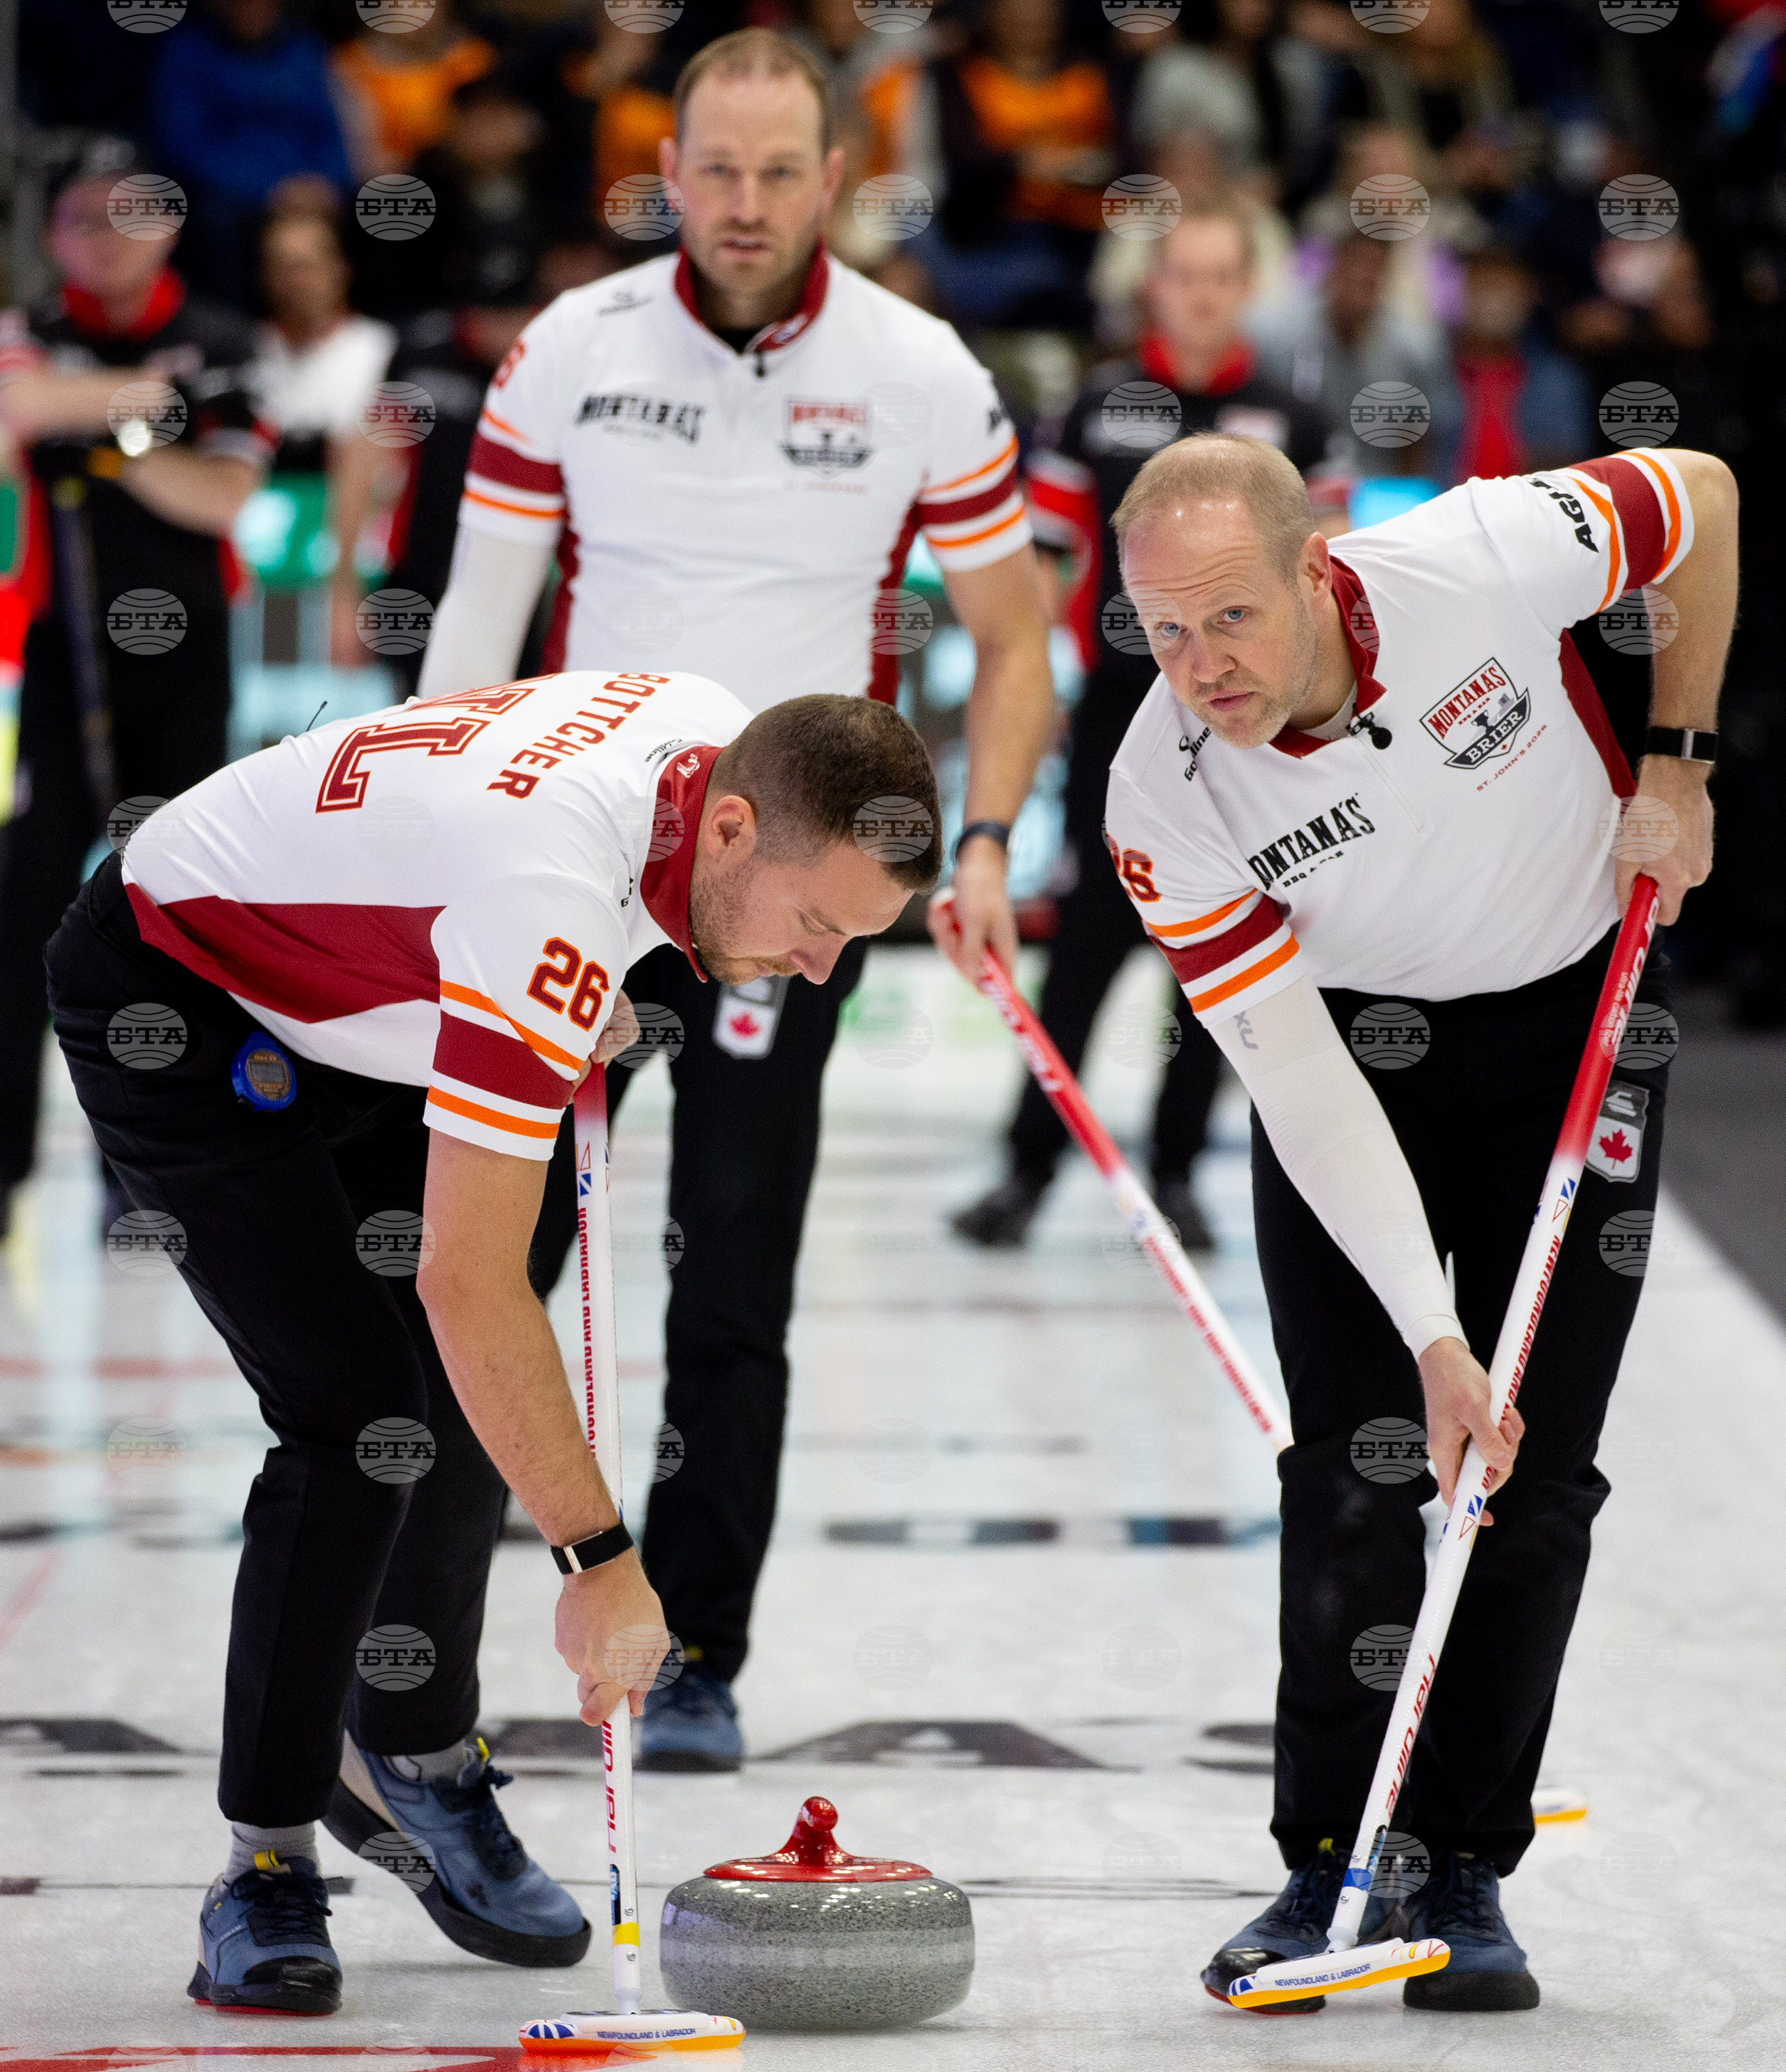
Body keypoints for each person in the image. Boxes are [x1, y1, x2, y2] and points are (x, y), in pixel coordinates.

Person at [46, 675, 943, 2015]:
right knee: (360, 1422)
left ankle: (406, 1747)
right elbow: (469, 1285)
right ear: (740, 828)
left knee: (472, 1384)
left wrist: (618, 990)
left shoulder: (707, 735)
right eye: (817, 926)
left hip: (369, 997)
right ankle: (267, 1864)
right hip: (183, 994)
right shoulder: (548, 900)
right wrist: (600, 1563)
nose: (821, 969)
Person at [416, 27, 1054, 1769]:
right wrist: (447, 846)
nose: (748, 204)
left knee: (730, 1278)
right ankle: (421, 1661)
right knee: (497, 1258)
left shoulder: (920, 368)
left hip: (788, 899)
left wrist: (983, 839)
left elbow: (1012, 644)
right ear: (665, 166)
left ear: (837, 175)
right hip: (580, 871)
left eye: (783, 171)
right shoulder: (569, 347)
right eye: (718, 169)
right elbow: (477, 629)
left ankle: (695, 1644)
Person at [1100, 431, 1732, 2008]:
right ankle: (1327, 1858)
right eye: (1163, 631)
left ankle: (1462, 1861)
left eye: (1231, 616)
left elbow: (1704, 500)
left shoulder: (1477, 557)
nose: (1202, 667)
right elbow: (1300, 1081)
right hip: (1351, 1064)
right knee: (1355, 1462)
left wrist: (1679, 756)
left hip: (1573, 1025)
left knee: (1537, 1465)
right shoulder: (1156, 795)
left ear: (1318, 563)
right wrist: (1433, 1339)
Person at [952, 197, 1336, 1251]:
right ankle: (1025, 1170)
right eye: (1184, 277)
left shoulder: (1291, 416)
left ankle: (1175, 1174)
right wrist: (1030, 706)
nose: (1202, 296)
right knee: (1079, 955)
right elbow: (1038, 575)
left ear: (1243, 288)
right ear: (1154, 286)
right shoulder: (1097, 404)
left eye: (1221, 278)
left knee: (1218, 965)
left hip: (1248, 731)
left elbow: (1328, 571)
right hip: (1122, 723)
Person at [0, 138, 268, 1238]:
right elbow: (13, 409)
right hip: (53, 675)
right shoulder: (30, 331)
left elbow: (220, 496)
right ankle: (6, 1168)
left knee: (179, 922)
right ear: (52, 230)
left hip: (184, 668)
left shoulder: (223, 338)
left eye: (131, 213)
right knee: (22, 917)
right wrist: (137, 408)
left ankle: (160, 1176)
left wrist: (102, 437)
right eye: (82, 216)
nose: (106, 235)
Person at [247, 211, 396, 668]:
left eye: (307, 265)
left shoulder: (377, 351)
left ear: (339, 270)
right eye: (282, 266)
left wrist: (345, 591)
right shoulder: (249, 353)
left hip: (356, 563)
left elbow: (376, 469)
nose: (295, 280)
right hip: (258, 570)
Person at [150, 0, 353, 305]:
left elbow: (330, 131)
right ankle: (233, 322)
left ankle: (366, 325)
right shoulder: (186, 53)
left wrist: (327, 182)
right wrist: (270, 190)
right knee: (216, 223)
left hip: (309, 187)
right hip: (234, 193)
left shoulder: (304, 49)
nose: (252, 9)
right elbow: (188, 149)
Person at [1249, 231, 1461, 483]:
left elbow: (1423, 440)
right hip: (1293, 483)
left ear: (1386, 280)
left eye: (1372, 271)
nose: (1361, 277)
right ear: (1332, 270)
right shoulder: (1274, 337)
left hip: (1378, 486)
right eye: (1352, 266)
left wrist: (1405, 498)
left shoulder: (1415, 349)